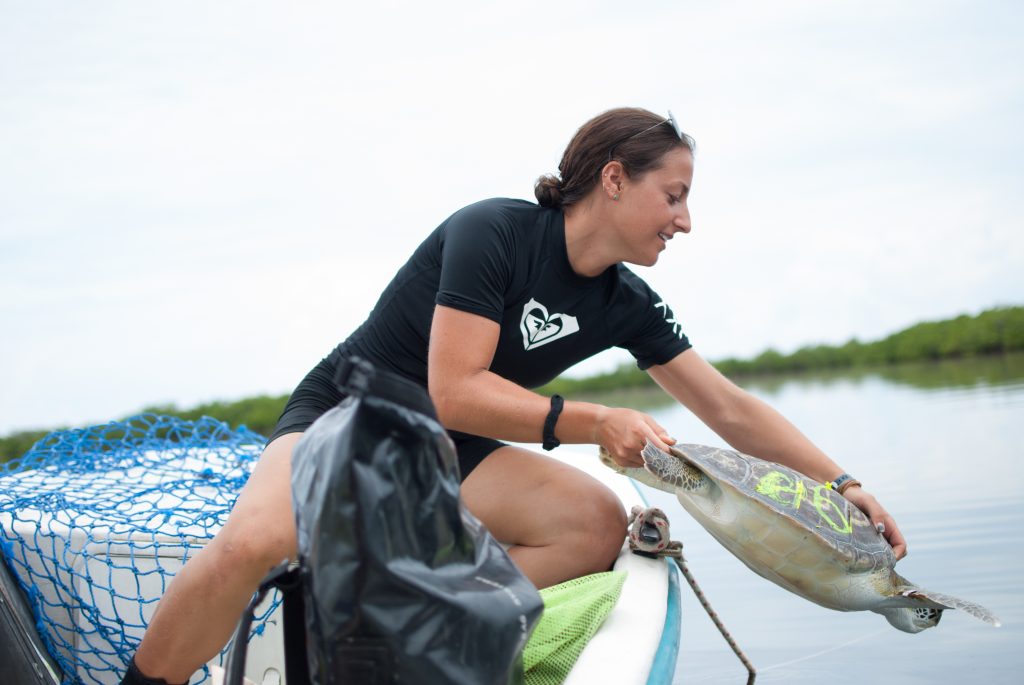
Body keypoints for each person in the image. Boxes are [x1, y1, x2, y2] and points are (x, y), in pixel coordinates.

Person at [121, 107, 907, 685]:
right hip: (346, 417)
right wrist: (594, 419)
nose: (686, 220)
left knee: (591, 523)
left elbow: (729, 406)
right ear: (613, 179)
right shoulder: (492, 232)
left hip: (445, 448)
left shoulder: (627, 303)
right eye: (674, 195)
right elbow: (454, 389)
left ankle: (393, 633)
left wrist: (841, 483)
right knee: (254, 543)